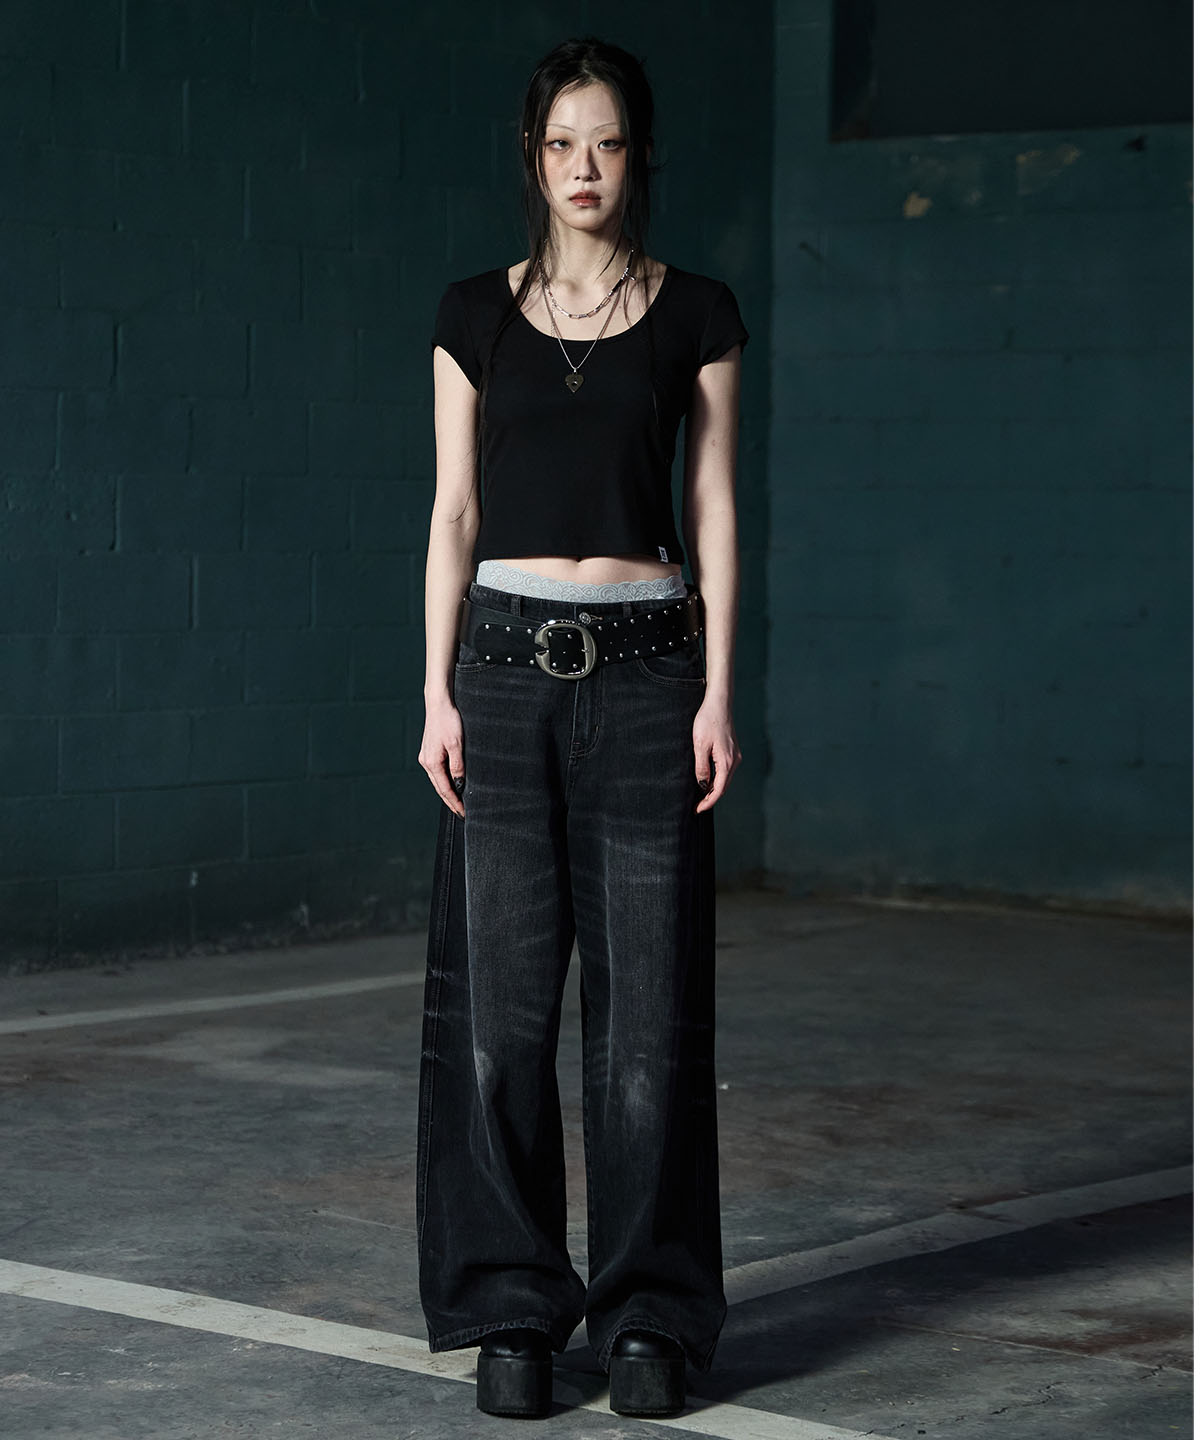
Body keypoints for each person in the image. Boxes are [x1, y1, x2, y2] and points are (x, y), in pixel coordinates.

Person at [415, 35, 748, 1421]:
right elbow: (454, 514)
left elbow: (714, 510)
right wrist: (433, 690)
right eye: (562, 143)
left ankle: (649, 1316)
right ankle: (512, 1309)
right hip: (500, 673)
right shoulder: (471, 316)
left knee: (646, 1026)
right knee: (500, 1019)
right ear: (534, 157)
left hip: (650, 675)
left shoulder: (698, 315)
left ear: (638, 154)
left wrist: (718, 689)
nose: (585, 167)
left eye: (607, 142)